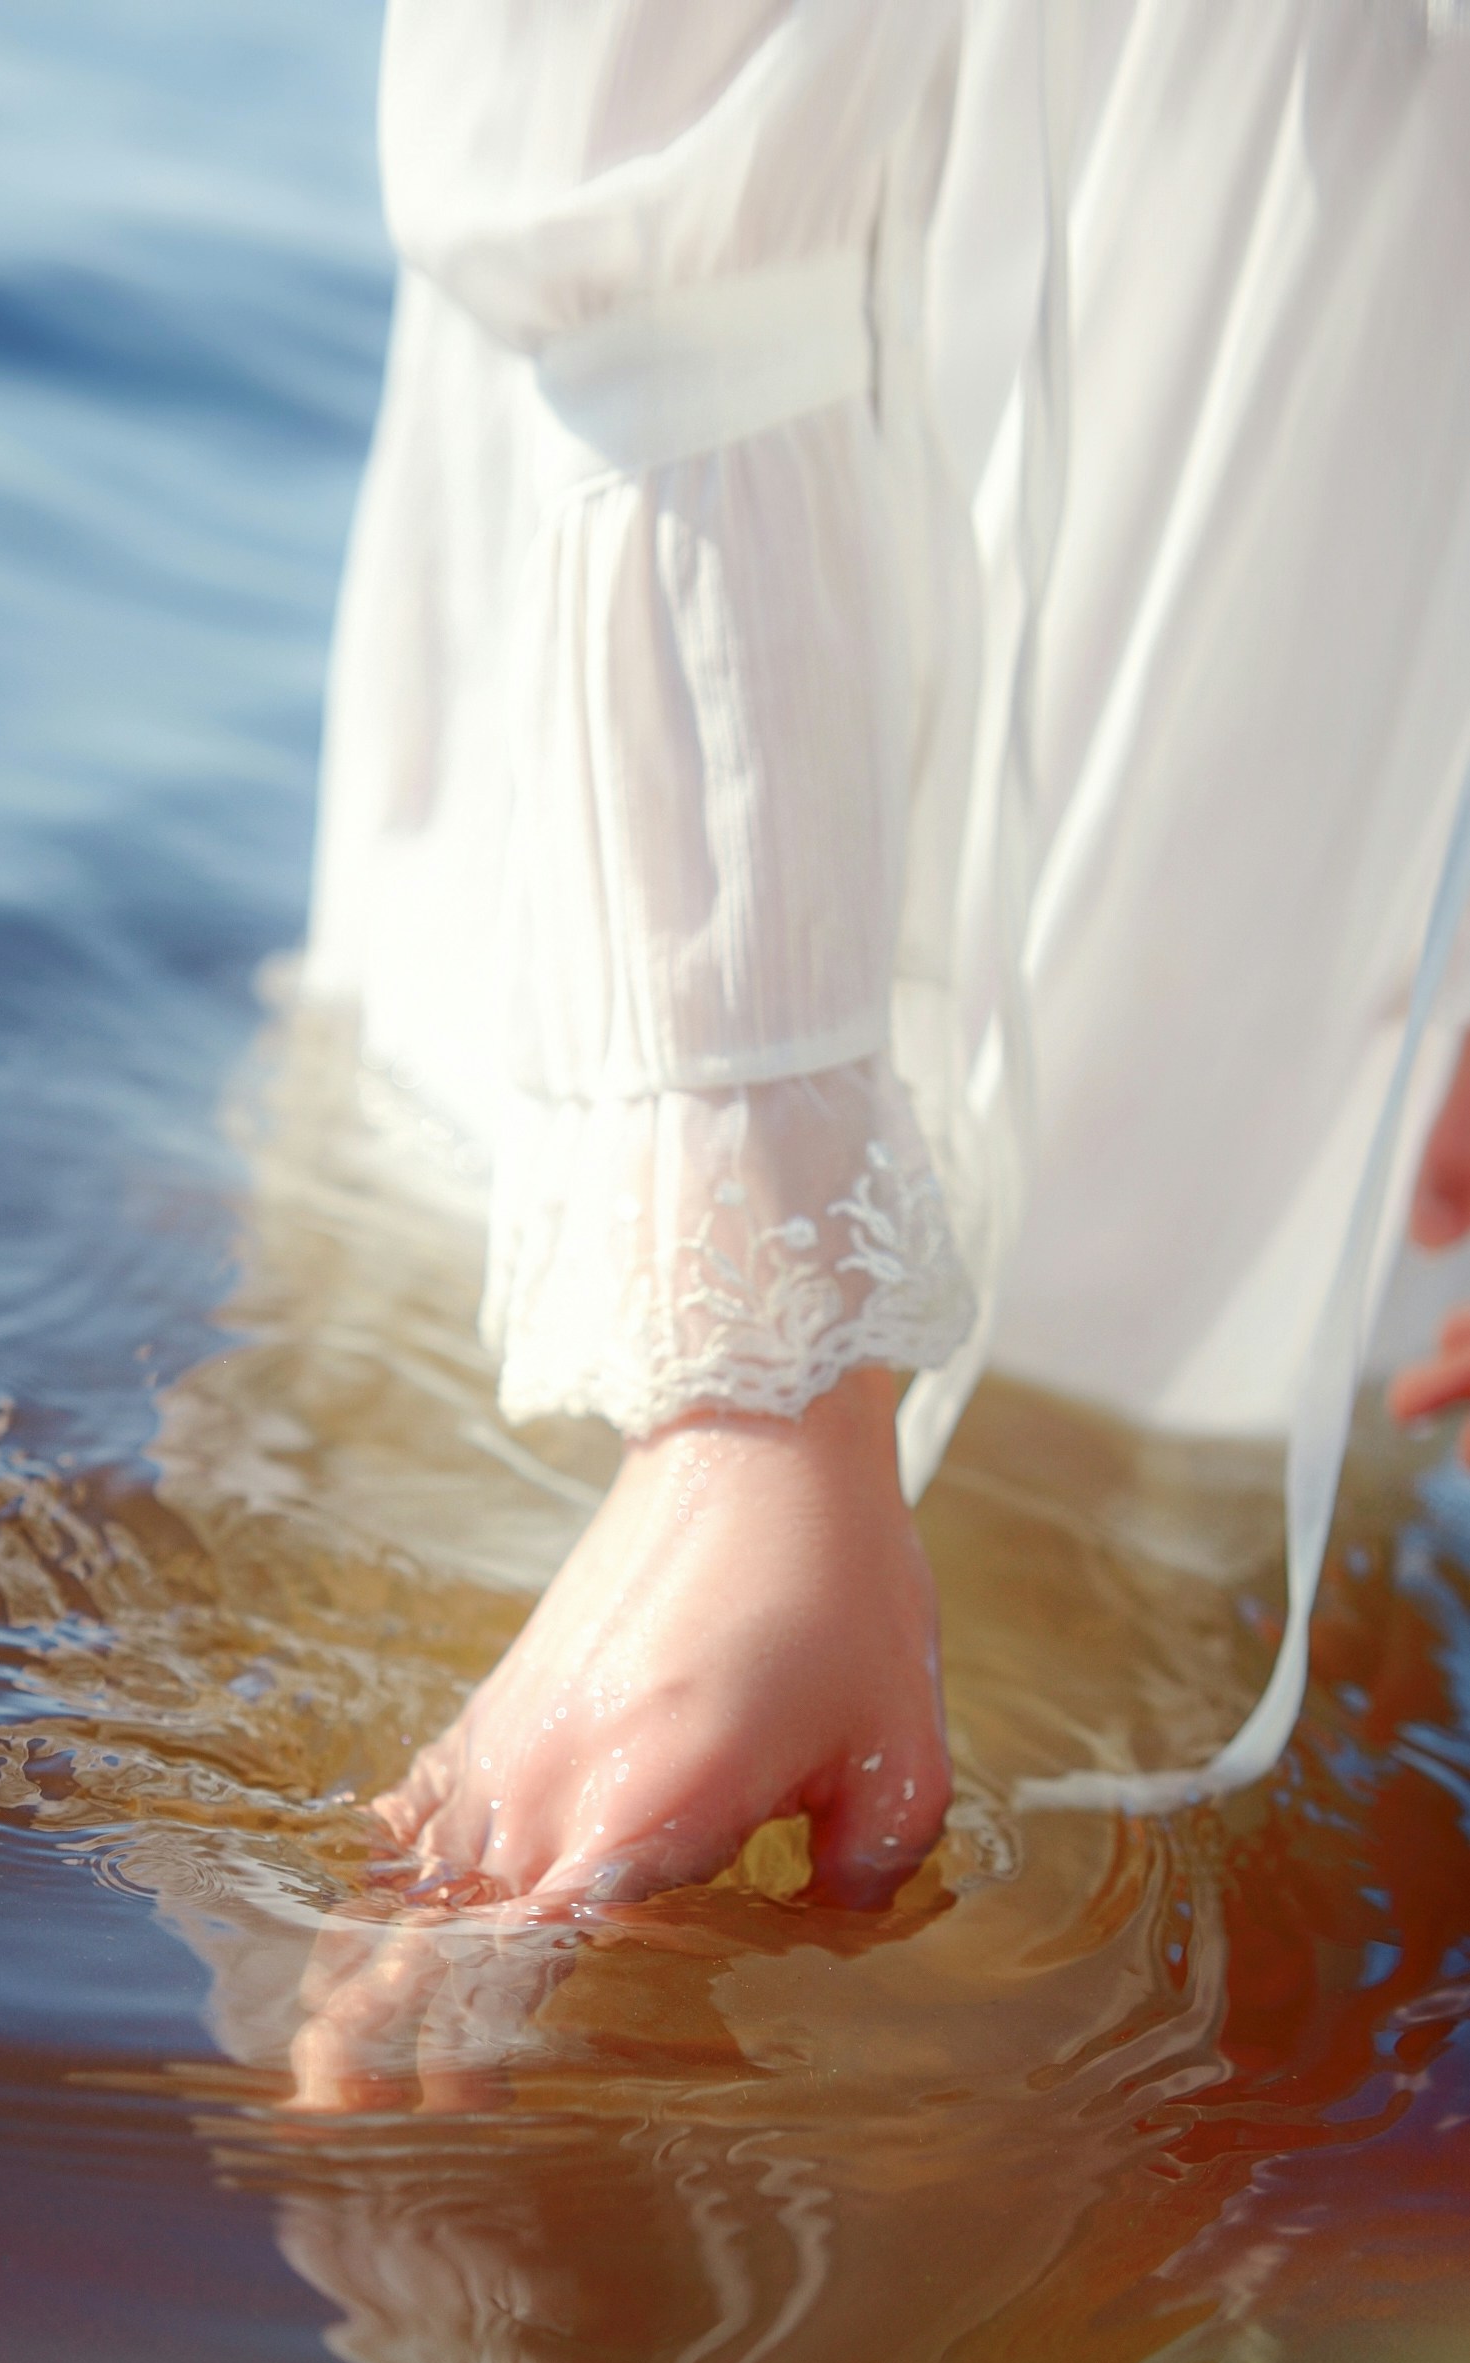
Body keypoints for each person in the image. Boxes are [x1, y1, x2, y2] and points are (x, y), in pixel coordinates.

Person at [298, 0, 1470, 1918]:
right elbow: (648, 166)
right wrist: (754, 1382)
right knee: (440, 1481)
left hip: (1345, 665)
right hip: (793, 377)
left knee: (1132, 1664)